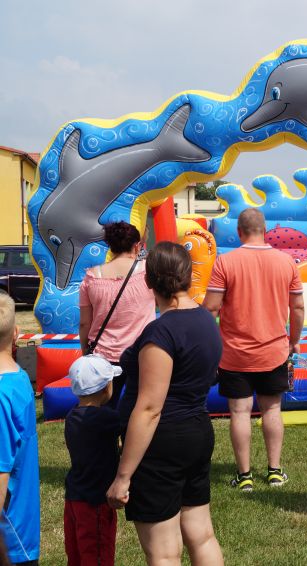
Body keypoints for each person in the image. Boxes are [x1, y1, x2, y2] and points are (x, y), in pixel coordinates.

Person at [107, 242, 223, 566]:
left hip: (161, 445)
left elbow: (150, 409)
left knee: (163, 552)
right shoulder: (206, 321)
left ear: (148, 281)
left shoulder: (161, 333)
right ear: (188, 275)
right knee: (202, 534)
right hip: (197, 433)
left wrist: (123, 476)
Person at [203, 208, 305, 491]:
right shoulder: (286, 262)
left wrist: (208, 343)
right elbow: (297, 306)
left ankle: (245, 475)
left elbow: (211, 308)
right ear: (265, 230)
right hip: (274, 350)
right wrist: (294, 339)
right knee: (272, 409)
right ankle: (274, 471)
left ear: (239, 232)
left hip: (234, 353)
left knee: (239, 412)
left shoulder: (226, 262)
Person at [79, 221, 155, 407]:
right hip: (141, 353)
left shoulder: (91, 277)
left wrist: (85, 351)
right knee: (140, 407)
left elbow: (85, 323)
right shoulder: (148, 272)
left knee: (103, 408)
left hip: (102, 356)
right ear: (137, 246)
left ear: (110, 247)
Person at [64, 355, 122, 566]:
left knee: (77, 556)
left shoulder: (72, 416)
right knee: (97, 556)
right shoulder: (107, 419)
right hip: (95, 501)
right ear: (107, 387)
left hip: (74, 497)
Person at [0, 293, 39, 565]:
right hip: (20, 534)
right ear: (16, 333)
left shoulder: (2, 397)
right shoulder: (20, 377)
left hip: (8, 542)